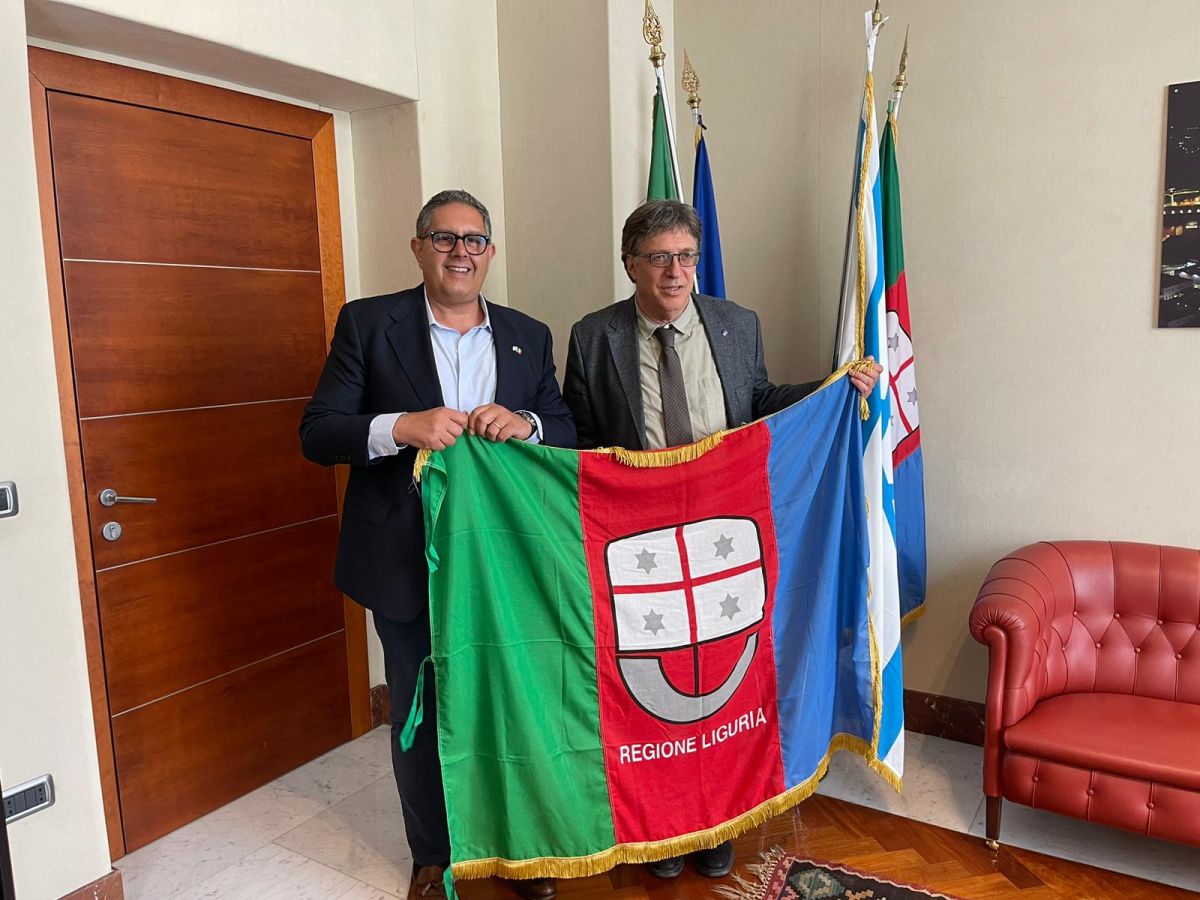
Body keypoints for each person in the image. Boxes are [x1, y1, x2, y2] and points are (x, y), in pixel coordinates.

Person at [562, 199, 880, 880]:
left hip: (722, 537)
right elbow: (582, 442)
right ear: (631, 264)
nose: (675, 272)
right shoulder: (593, 336)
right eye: (659, 258)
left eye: (686, 257)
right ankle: (665, 830)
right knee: (656, 692)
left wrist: (832, 389)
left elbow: (759, 401)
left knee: (721, 684)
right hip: (642, 544)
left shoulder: (737, 323)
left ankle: (716, 822)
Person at [301, 190, 572, 900]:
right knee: (421, 712)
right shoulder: (368, 324)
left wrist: (528, 424)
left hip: (506, 562)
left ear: (490, 252)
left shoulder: (529, 334)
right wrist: (400, 427)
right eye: (445, 238)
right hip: (404, 557)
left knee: (514, 701)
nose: (460, 252)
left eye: (474, 240)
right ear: (418, 247)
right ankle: (434, 854)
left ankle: (519, 847)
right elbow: (318, 432)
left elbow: (566, 425)